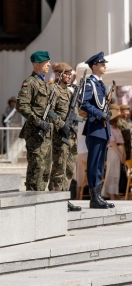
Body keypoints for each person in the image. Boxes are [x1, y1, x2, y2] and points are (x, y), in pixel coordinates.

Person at [17, 50, 63, 191]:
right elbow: (22, 105)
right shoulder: (30, 83)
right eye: (46, 62)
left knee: (45, 170)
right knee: (36, 168)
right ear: (37, 64)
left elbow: (50, 109)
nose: (49, 65)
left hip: (47, 133)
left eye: (49, 62)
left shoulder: (45, 84)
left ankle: (40, 199)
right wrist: (38, 121)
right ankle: (32, 200)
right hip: (36, 133)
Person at [80, 51, 114, 209]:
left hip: (103, 129)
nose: (104, 66)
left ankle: (98, 196)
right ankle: (94, 197)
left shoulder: (100, 84)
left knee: (100, 164)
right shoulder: (89, 84)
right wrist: (100, 113)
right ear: (94, 66)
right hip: (94, 127)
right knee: (94, 163)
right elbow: (84, 103)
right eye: (102, 64)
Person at [48, 62, 81, 211]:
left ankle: (64, 198)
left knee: (69, 168)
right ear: (58, 74)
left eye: (69, 74)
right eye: (66, 74)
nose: (69, 76)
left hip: (71, 135)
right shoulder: (53, 90)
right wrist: (62, 125)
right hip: (60, 135)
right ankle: (55, 199)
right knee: (59, 168)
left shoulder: (69, 92)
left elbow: (76, 113)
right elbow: (50, 111)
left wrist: (79, 119)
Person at [102, 108, 125, 200]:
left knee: (116, 174)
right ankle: (111, 194)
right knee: (112, 173)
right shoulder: (109, 129)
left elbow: (121, 142)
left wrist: (124, 154)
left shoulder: (117, 129)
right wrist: (120, 155)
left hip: (119, 150)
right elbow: (112, 143)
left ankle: (114, 193)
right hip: (113, 151)